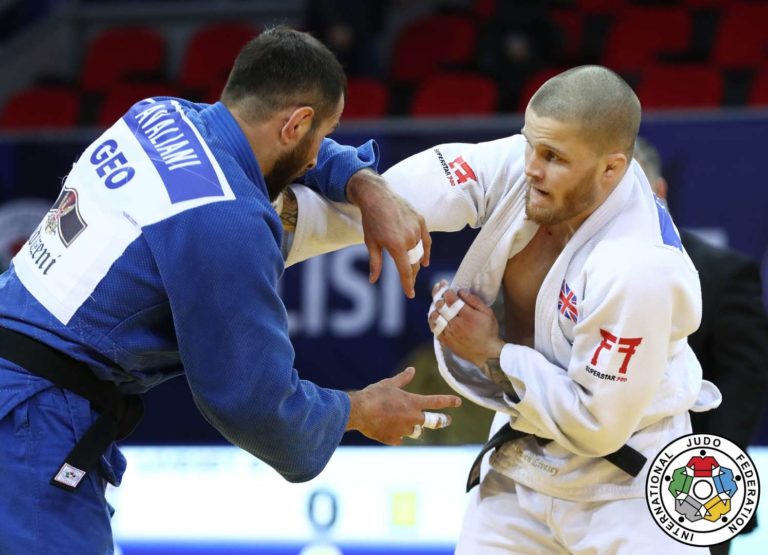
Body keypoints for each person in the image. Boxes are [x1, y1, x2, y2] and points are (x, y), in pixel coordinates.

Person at [0, 27, 462, 554]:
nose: (315, 160)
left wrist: (364, 182)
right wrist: (359, 410)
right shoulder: (226, 220)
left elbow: (307, 149)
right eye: (318, 137)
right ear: (295, 124)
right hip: (31, 427)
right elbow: (256, 405)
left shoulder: (159, 113)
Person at [278, 65, 722, 553]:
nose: (531, 165)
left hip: (629, 485)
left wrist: (489, 350)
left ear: (610, 169)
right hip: (520, 466)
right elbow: (413, 195)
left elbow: (599, 425)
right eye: (530, 143)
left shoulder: (637, 267)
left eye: (552, 157)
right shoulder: (528, 163)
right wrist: (291, 227)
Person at [635, 136, 768, 555]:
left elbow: (742, 386)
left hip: (690, 488)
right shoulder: (574, 272)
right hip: (583, 486)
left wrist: (706, 481)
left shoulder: (724, 273)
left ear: (659, 191)